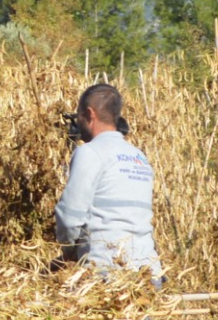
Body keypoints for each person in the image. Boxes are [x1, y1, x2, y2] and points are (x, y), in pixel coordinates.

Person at [53, 81, 161, 280]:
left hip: (107, 272)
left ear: (89, 114)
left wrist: (67, 251)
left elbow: (70, 217)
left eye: (79, 117)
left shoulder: (90, 153)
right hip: (147, 273)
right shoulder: (139, 157)